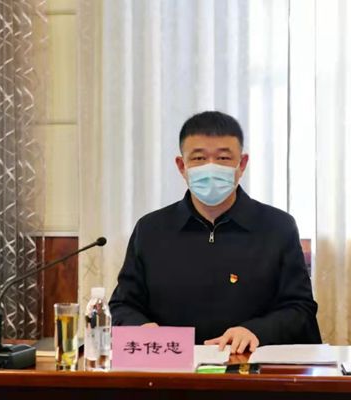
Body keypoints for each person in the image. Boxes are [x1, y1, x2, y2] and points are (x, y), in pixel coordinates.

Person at [109, 111, 321, 353]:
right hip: (171, 367)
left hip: (250, 363)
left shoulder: (278, 227)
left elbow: (300, 308)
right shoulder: (150, 229)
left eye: (223, 158)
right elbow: (123, 304)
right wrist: (143, 329)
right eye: (199, 158)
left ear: (242, 164)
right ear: (182, 166)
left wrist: (256, 331)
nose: (211, 167)